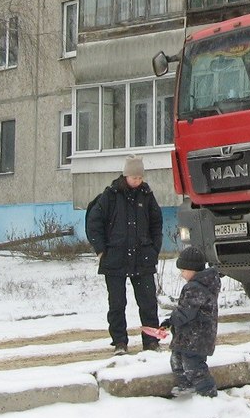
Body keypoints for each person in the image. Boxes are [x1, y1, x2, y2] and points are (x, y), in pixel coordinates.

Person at [85, 155, 163, 354]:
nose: (137, 181)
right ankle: (120, 342)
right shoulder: (111, 195)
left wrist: (154, 250)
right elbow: (94, 222)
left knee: (148, 303)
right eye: (134, 177)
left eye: (140, 177)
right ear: (126, 175)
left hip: (143, 257)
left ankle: (151, 341)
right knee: (117, 303)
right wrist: (101, 249)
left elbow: (156, 224)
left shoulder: (147, 195)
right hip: (115, 258)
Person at [161, 245, 221, 397]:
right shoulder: (196, 286)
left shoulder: (196, 288)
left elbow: (186, 312)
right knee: (177, 361)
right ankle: (186, 386)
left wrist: (171, 320)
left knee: (194, 367)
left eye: (183, 271)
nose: (181, 274)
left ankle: (208, 392)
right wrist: (171, 321)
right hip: (188, 336)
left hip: (197, 336)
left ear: (193, 269)